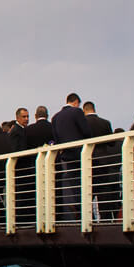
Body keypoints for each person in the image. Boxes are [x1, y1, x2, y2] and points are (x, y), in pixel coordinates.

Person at [50, 94, 90, 224]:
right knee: (84, 182)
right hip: (80, 153)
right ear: (76, 102)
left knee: (72, 184)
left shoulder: (55, 117)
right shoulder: (77, 112)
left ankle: (76, 208)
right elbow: (86, 132)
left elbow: (56, 139)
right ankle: (83, 209)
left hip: (66, 155)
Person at [17, 106, 52, 229]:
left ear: (36, 116)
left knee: (36, 194)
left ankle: (37, 218)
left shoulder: (28, 130)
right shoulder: (53, 127)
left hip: (33, 166)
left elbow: (25, 148)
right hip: (51, 166)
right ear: (47, 115)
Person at [83, 101, 119, 222]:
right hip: (104, 161)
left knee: (88, 193)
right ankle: (106, 220)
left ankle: (89, 220)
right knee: (104, 194)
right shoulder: (105, 123)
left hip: (88, 161)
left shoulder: (82, 123)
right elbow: (112, 142)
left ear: (84, 110)